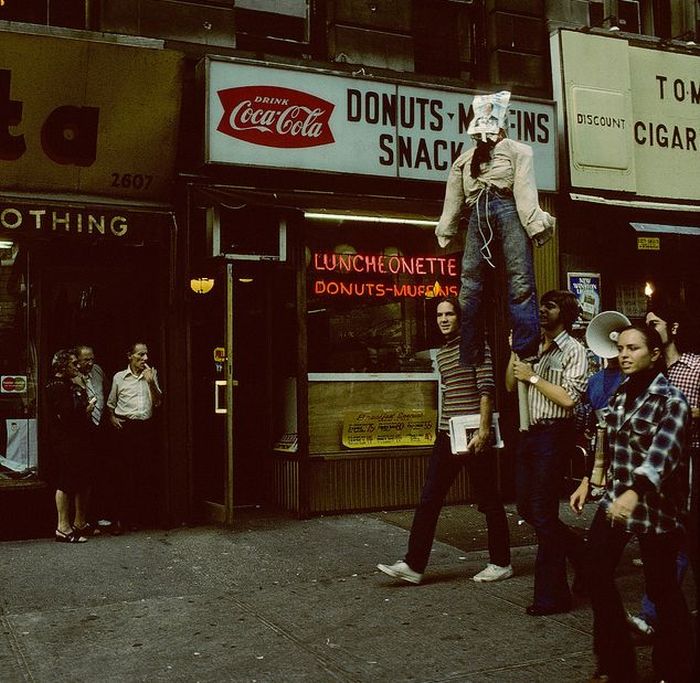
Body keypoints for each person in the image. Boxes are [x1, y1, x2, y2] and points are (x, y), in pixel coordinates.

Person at [377, 296, 512, 584]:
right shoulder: (443, 353)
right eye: (440, 315)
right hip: (447, 433)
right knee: (429, 499)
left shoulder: (475, 344)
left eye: (450, 314)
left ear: (461, 318)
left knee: (488, 500)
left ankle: (501, 562)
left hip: (475, 434)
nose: (444, 319)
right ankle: (413, 565)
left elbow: (486, 388)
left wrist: (485, 430)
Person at [585, 324, 692, 683]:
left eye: (633, 348)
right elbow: (608, 442)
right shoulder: (621, 393)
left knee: (662, 588)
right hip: (616, 501)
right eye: (622, 348)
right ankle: (616, 663)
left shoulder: (672, 401)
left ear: (655, 354)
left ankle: (677, 667)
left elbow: (663, 456)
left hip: (655, 508)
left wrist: (635, 491)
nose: (624, 354)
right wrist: (591, 480)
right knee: (594, 571)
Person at [435, 93, 555, 366]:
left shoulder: (518, 150)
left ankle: (525, 348)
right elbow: (453, 198)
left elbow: (524, 190)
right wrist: (447, 227)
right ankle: (470, 351)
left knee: (520, 277)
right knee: (469, 282)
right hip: (478, 211)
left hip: (507, 206)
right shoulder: (464, 161)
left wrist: (534, 224)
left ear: (502, 126)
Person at [506, 290, 588, 615]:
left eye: (550, 306)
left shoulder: (574, 349)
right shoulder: (532, 343)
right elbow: (511, 386)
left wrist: (534, 376)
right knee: (528, 507)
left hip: (554, 434)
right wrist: (514, 351)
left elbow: (569, 399)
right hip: (529, 434)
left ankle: (552, 597)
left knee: (541, 512)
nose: (542, 310)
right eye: (541, 306)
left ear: (564, 314)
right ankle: (583, 557)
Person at [625, 302, 699, 647]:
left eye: (656, 322)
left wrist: (678, 408)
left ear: (673, 329)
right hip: (657, 469)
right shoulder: (649, 374)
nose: (650, 327)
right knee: (670, 543)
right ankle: (654, 615)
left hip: (691, 459)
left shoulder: (695, 367)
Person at [107, 342, 162, 532]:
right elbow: (111, 403)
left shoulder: (151, 375)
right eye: (140, 355)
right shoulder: (119, 377)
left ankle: (136, 518)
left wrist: (151, 382)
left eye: (146, 355)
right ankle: (119, 519)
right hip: (125, 428)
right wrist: (112, 417)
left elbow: (158, 402)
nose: (145, 359)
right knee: (122, 474)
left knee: (142, 473)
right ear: (129, 356)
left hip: (144, 428)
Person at [45, 349, 96, 543]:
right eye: (73, 363)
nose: (77, 366)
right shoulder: (58, 386)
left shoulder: (66, 384)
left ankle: (78, 523)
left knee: (78, 479)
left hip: (74, 439)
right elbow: (66, 416)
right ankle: (63, 528)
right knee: (65, 482)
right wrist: (86, 409)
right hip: (66, 441)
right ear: (63, 366)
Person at [75, 344, 109, 534]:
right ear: (77, 360)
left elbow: (106, 390)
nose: (90, 363)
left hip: (99, 426)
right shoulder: (73, 376)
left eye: (92, 358)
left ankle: (96, 516)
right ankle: (81, 519)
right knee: (83, 476)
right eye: (86, 359)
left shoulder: (97, 371)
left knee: (99, 471)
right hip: (83, 428)